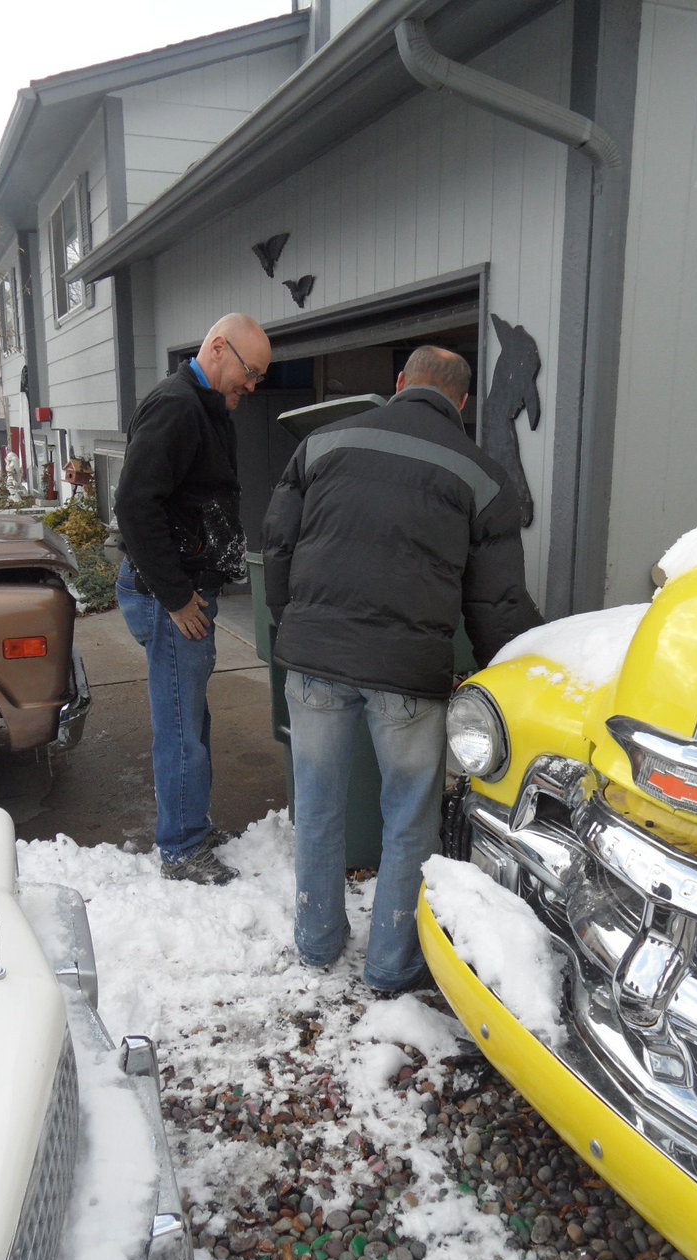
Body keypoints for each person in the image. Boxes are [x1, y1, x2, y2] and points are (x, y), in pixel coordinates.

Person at [261, 345, 542, 992]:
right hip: (408, 673)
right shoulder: (482, 474)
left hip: (315, 658)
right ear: (462, 402)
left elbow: (277, 543)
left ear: (399, 383)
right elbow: (496, 604)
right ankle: (391, 965)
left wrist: (292, 624)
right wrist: (512, 675)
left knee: (318, 804)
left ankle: (317, 941)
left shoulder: (323, 444)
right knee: (410, 819)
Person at [115, 313, 271, 885]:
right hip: (170, 599)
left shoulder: (206, 406)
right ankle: (181, 848)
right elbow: (134, 505)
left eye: (258, 377)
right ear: (219, 347)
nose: (251, 385)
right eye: (250, 372)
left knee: (192, 718)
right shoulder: (177, 407)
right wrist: (177, 597)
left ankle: (192, 826)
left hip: (185, 593)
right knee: (181, 726)